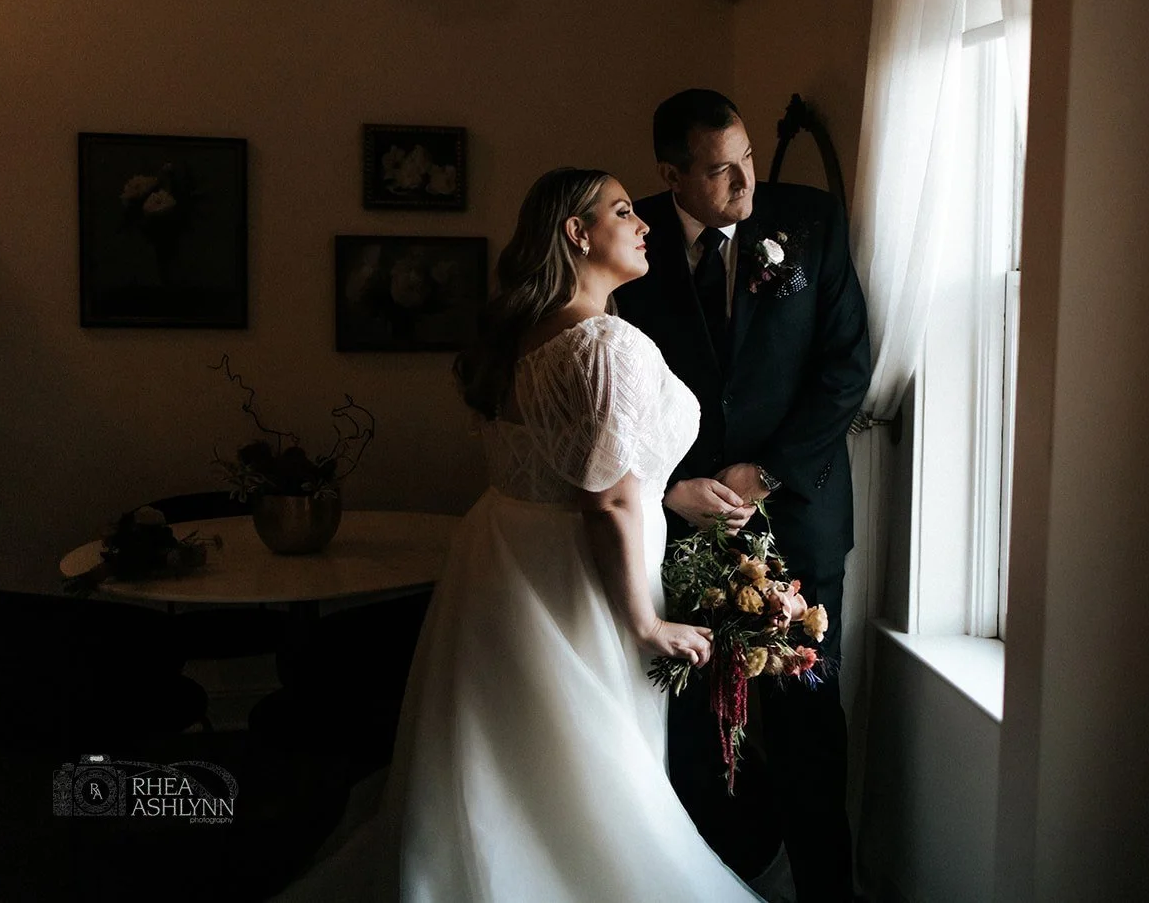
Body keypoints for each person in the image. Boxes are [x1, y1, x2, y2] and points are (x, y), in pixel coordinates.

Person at [273, 167, 761, 902]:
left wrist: (668, 491)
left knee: (506, 764)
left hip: (501, 562)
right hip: (580, 583)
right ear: (577, 232)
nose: (644, 224)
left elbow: (563, 470)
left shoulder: (518, 338)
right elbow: (603, 504)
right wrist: (644, 621)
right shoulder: (607, 343)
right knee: (594, 776)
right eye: (623, 211)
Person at [614, 89, 870, 901]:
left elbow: (846, 370)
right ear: (672, 174)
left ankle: (827, 892)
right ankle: (709, 884)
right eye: (721, 170)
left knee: (806, 724)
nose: (744, 183)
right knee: (690, 725)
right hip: (680, 524)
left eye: (749, 158)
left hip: (797, 517)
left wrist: (766, 473)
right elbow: (613, 399)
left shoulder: (812, 222)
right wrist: (667, 490)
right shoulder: (633, 238)